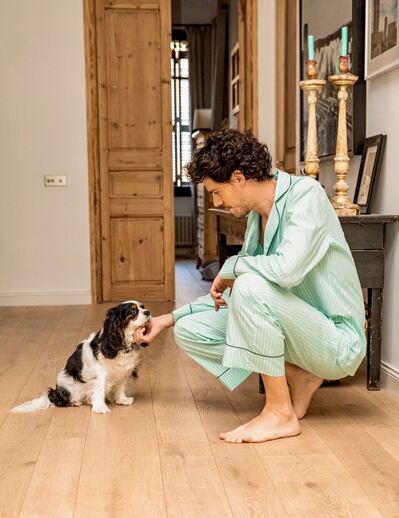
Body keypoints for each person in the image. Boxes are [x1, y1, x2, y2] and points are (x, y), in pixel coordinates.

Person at [134, 129, 366, 444]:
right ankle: (296, 375)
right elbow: (234, 293)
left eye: (217, 192)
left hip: (337, 342)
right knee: (189, 329)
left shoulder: (307, 195)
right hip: (301, 332)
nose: (216, 201)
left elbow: (285, 270)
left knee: (250, 286)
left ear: (239, 178)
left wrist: (234, 266)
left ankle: (279, 412)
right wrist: (167, 319)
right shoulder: (258, 218)